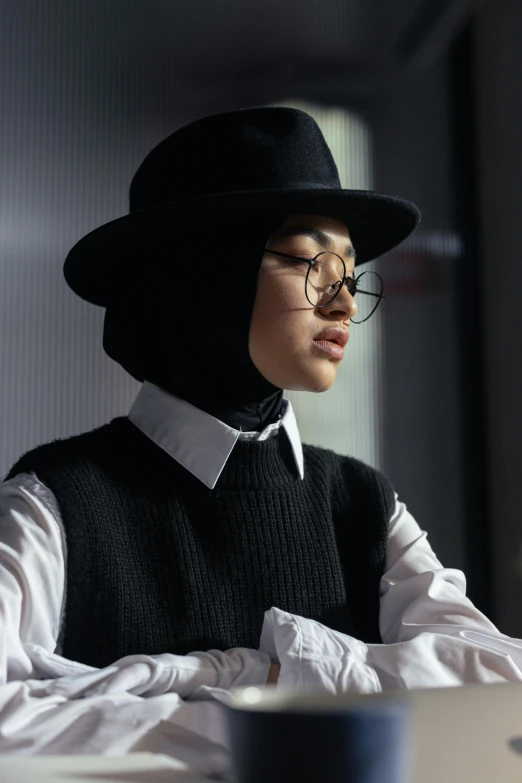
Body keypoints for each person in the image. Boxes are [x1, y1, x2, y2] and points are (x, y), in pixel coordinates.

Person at [2, 108, 522, 760]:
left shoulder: (359, 503)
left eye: (350, 275)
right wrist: (261, 703)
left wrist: (262, 671)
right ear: (205, 273)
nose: (344, 303)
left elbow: (497, 687)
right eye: (311, 263)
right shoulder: (55, 501)